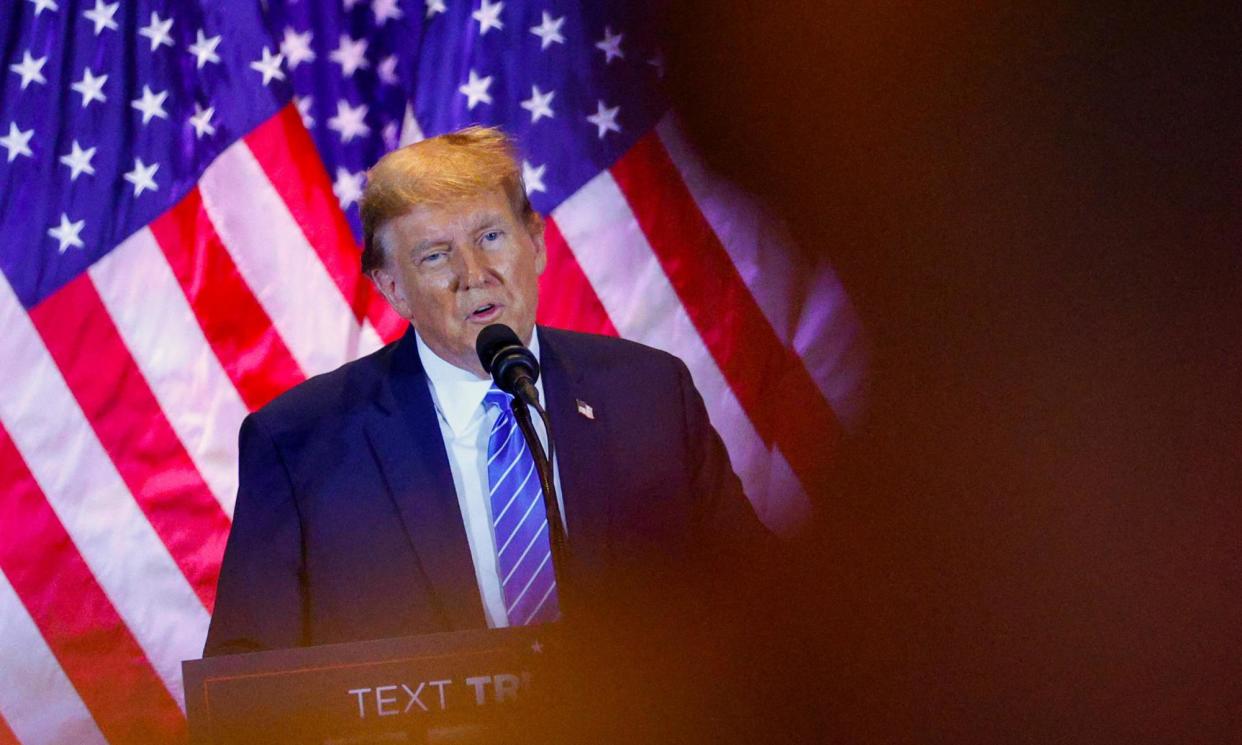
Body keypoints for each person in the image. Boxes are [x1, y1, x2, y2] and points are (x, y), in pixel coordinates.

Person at [203, 126, 771, 658]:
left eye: (491, 236)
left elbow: (755, 605)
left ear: (537, 244)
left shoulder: (649, 395)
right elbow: (250, 687)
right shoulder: (301, 444)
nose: (474, 273)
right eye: (435, 255)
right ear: (394, 289)